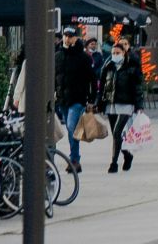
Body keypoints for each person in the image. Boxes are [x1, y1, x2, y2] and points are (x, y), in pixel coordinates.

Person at [54, 27, 98, 173]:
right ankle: (74, 158)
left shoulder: (83, 57)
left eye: (70, 36)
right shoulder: (58, 56)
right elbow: (55, 76)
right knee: (69, 128)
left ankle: (74, 159)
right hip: (62, 99)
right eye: (65, 35)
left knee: (72, 128)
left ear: (75, 38)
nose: (67, 38)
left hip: (78, 99)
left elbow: (92, 79)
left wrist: (91, 99)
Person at [97, 38, 144, 174]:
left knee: (118, 132)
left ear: (124, 53)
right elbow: (102, 88)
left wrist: (139, 105)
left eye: (118, 52)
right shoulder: (108, 66)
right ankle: (127, 155)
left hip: (126, 103)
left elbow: (138, 87)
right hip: (111, 103)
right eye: (113, 52)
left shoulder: (132, 67)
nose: (115, 55)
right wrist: (98, 103)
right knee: (115, 135)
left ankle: (113, 163)